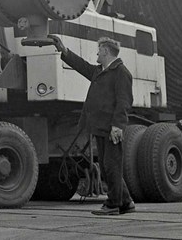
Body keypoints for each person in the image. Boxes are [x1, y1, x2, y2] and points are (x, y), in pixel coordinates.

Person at [49, 34, 135, 216]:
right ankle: (126, 202)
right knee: (107, 166)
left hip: (112, 128)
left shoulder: (121, 73)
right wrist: (64, 51)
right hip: (100, 127)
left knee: (111, 166)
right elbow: (82, 66)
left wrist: (118, 126)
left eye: (98, 51)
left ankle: (113, 204)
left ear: (105, 51)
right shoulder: (100, 72)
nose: (97, 53)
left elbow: (124, 102)